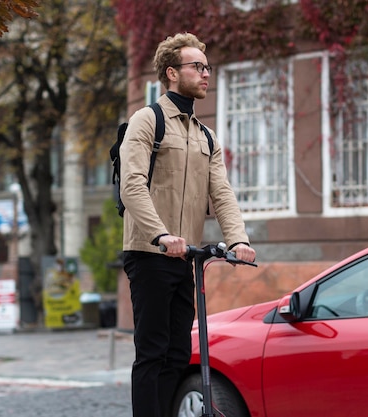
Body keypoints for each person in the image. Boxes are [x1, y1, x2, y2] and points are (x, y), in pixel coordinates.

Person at [119, 32, 256, 417]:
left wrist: (237, 239)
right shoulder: (147, 120)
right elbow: (132, 186)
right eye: (197, 67)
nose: (206, 74)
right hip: (149, 252)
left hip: (185, 256)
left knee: (179, 351)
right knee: (152, 349)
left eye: (207, 67)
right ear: (172, 73)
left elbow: (222, 192)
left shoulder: (205, 135)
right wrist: (160, 234)